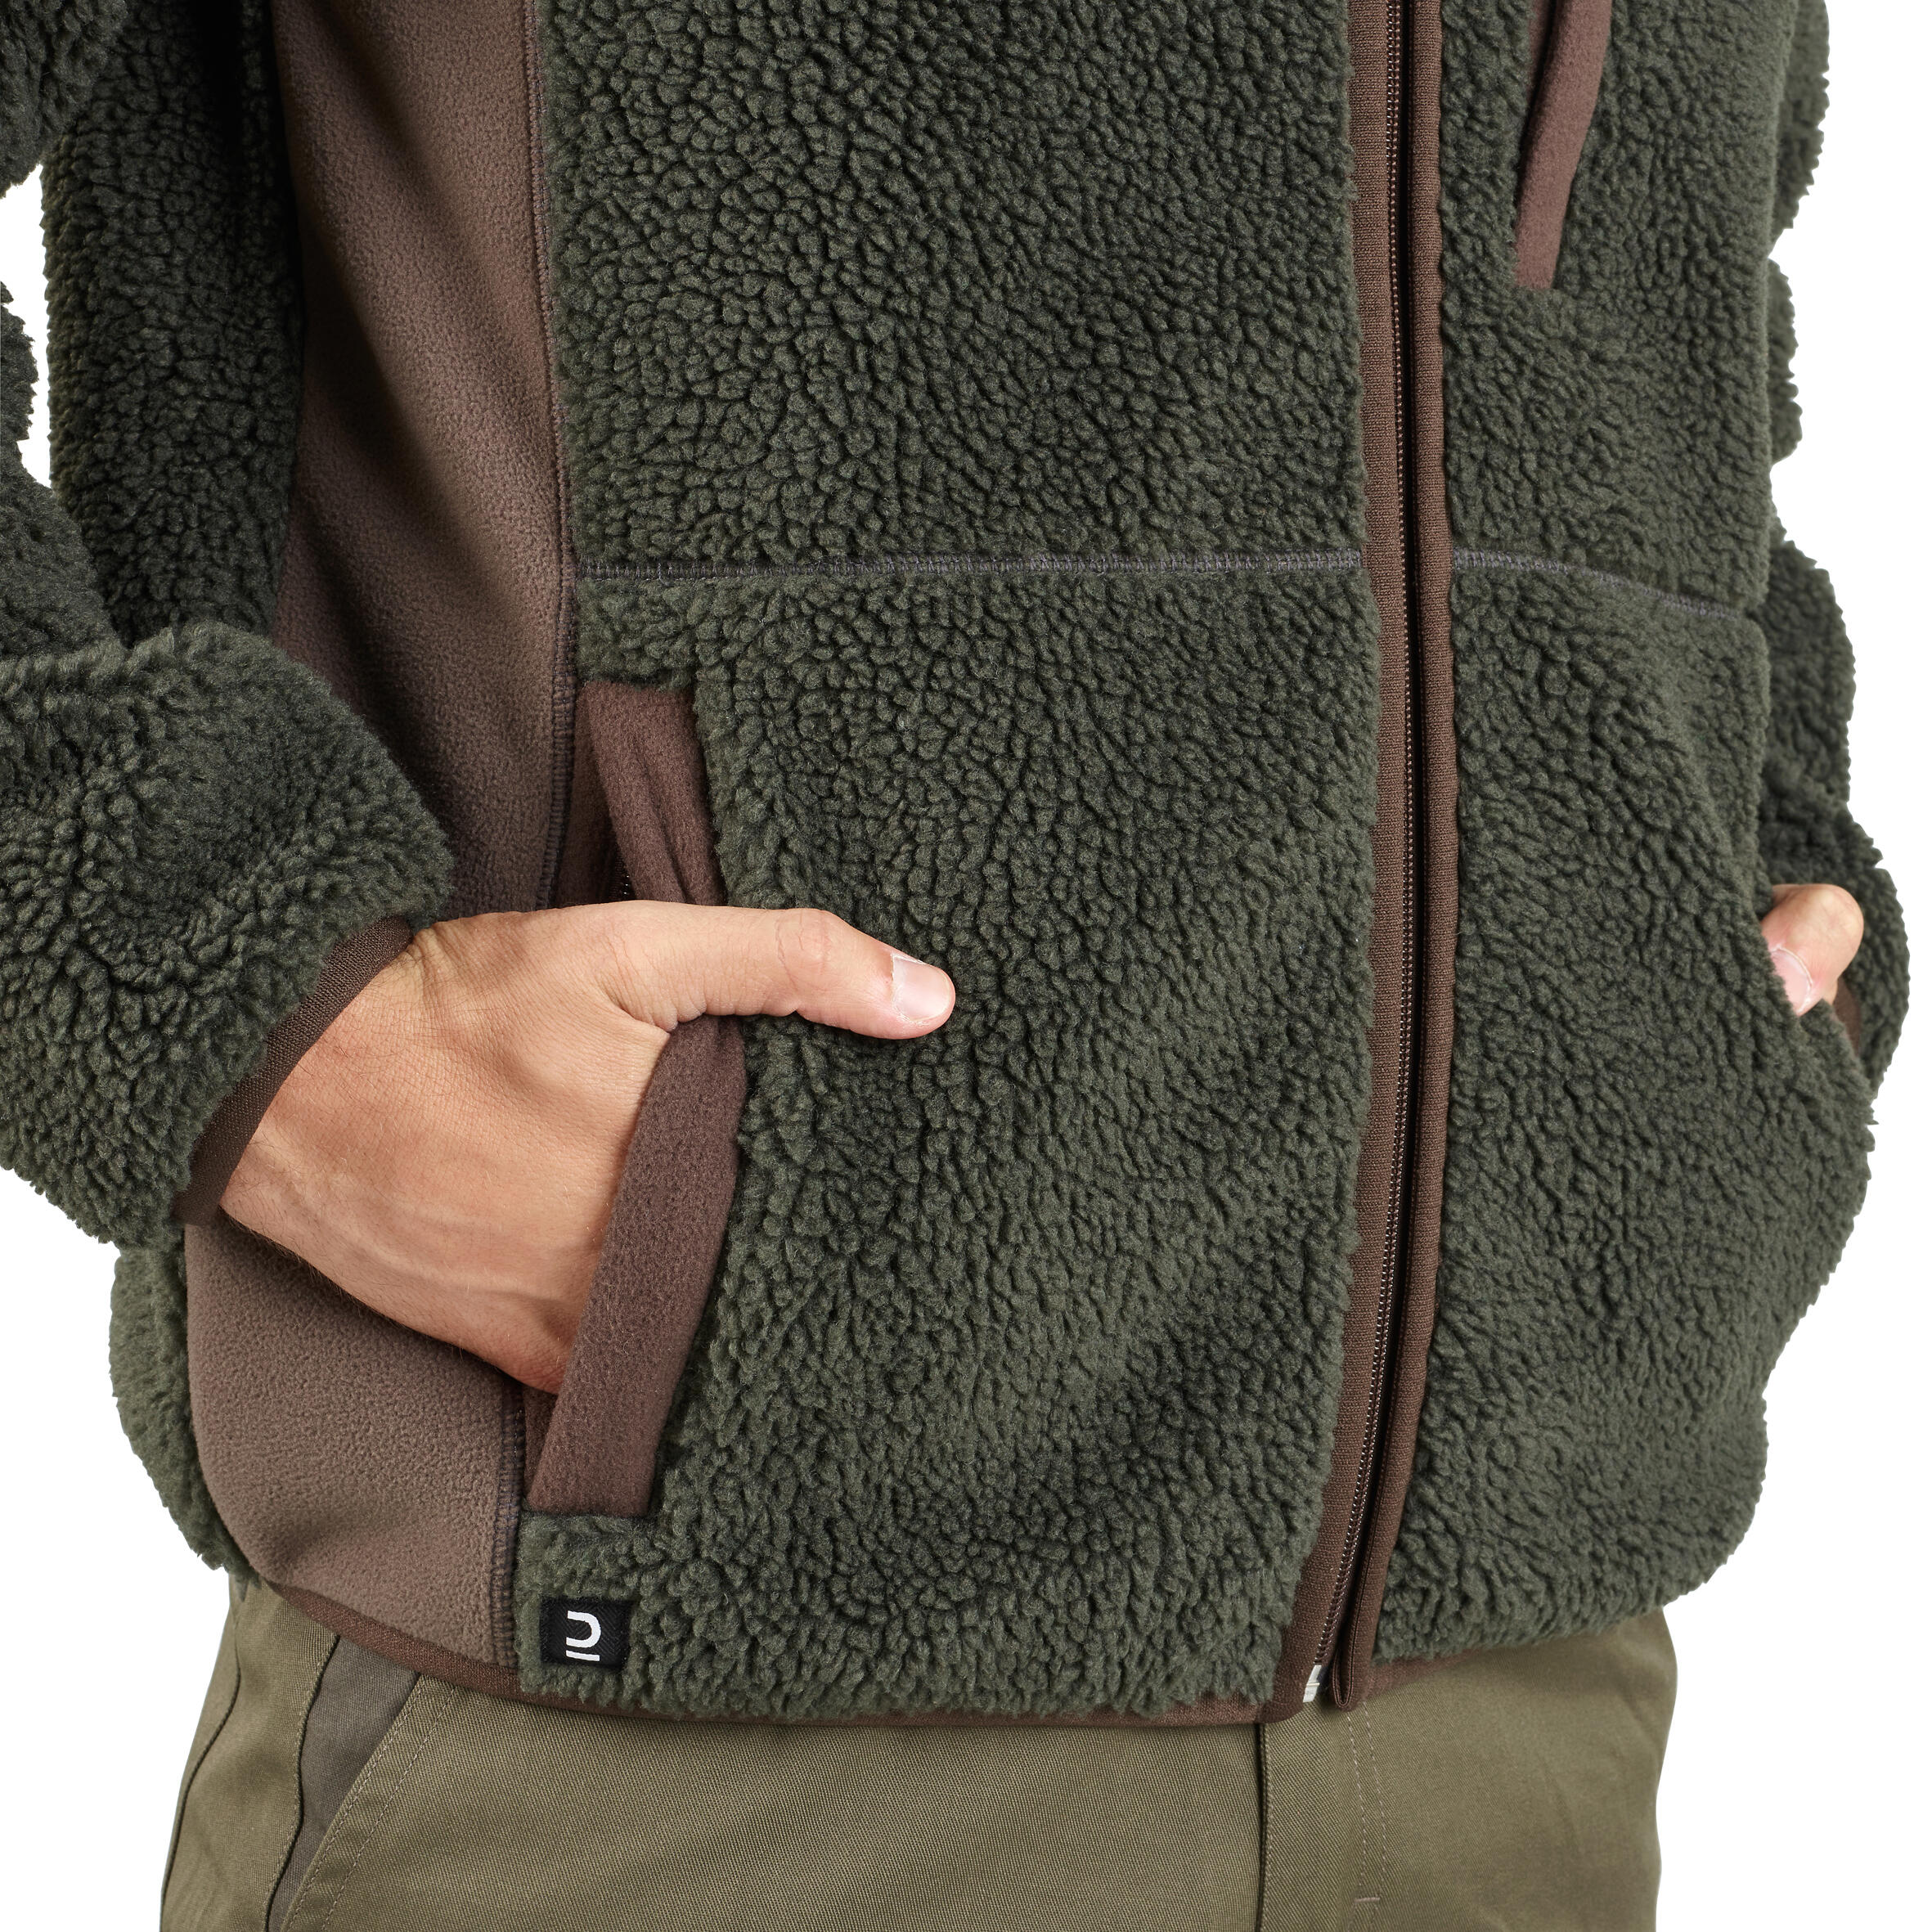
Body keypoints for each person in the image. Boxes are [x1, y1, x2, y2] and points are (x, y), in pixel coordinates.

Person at [1, 0, 1904, 1926]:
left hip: (1520, 1700)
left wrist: (1752, 861)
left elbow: (1676, 293)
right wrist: (241, 1009)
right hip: (657, 1715)